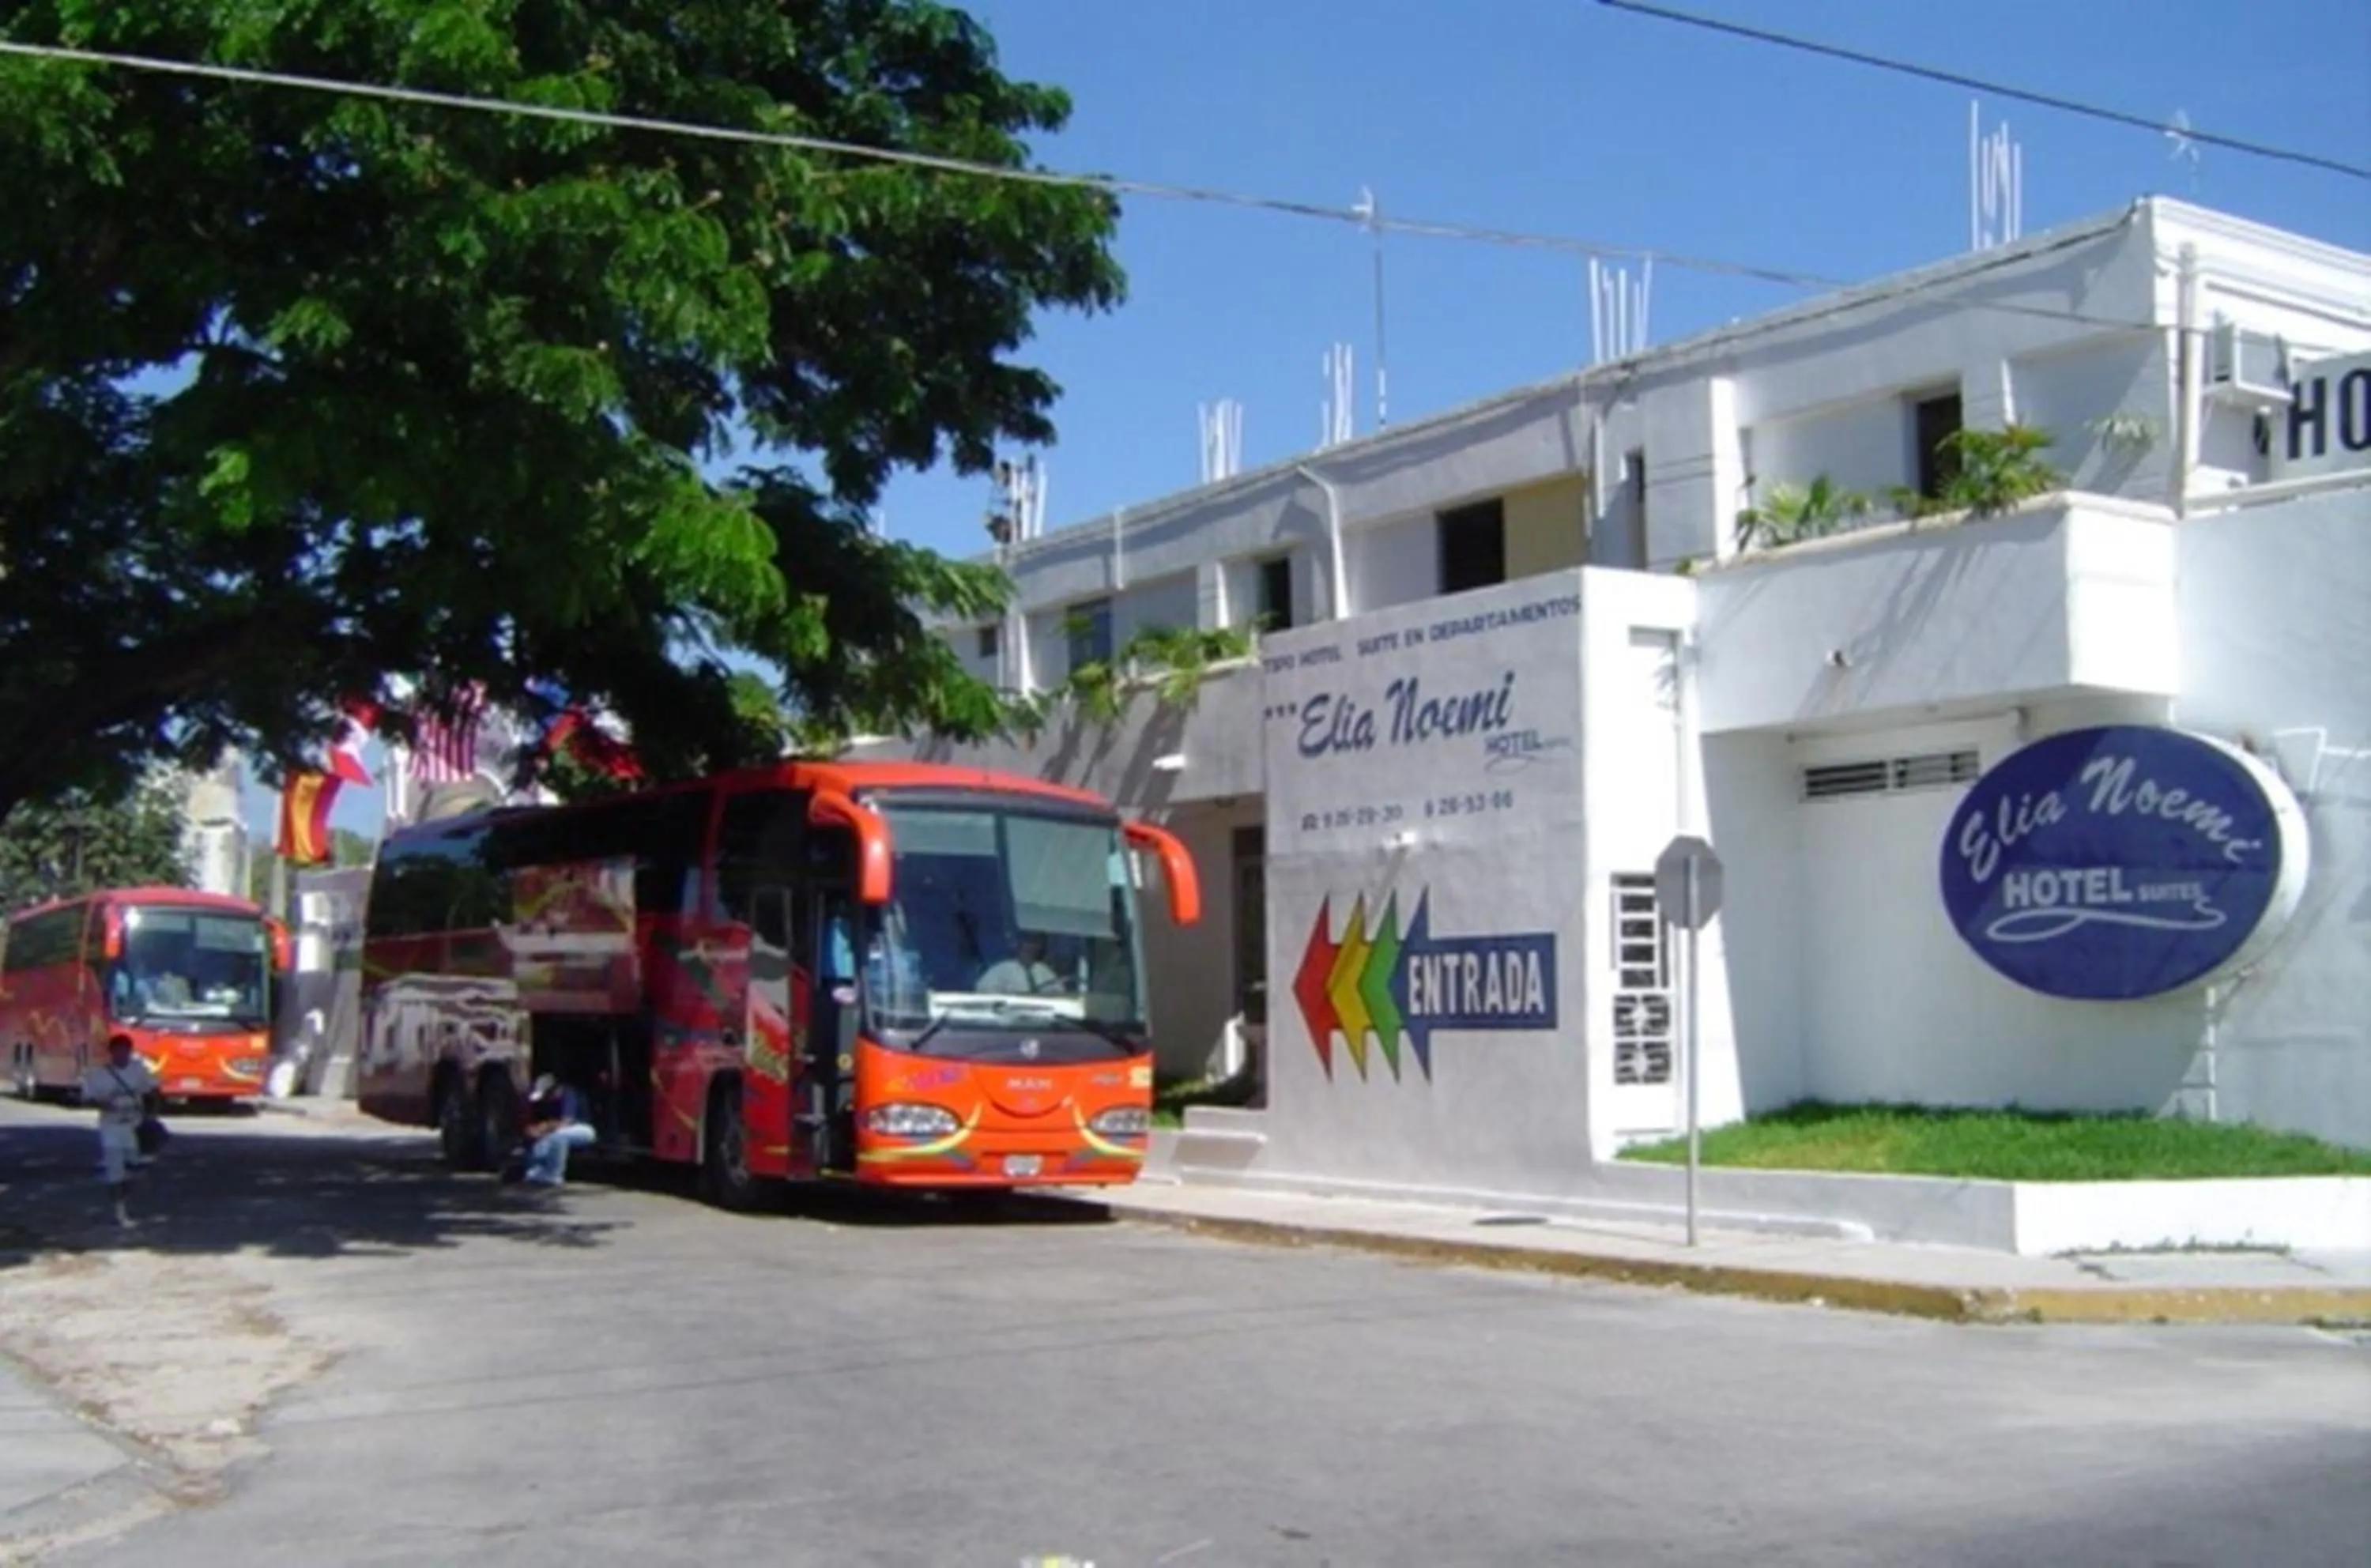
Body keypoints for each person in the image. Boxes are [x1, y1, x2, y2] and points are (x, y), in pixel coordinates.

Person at [81, 1034, 160, 1228]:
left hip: (134, 1125)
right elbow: (86, 1097)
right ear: (111, 1052)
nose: (122, 1055)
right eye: (118, 1051)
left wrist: (151, 1114)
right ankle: (120, 1211)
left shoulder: (139, 1071)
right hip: (111, 1127)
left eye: (125, 1051)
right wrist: (101, 1103)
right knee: (116, 1171)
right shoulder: (99, 1075)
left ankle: (126, 1197)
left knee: (134, 1168)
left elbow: (154, 1091)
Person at [519, 1072, 596, 1187]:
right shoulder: (543, 1102)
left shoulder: (568, 1094)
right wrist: (532, 1130)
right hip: (553, 1130)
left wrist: (543, 1128)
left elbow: (566, 1121)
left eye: (547, 1094)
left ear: (556, 1089)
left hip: (582, 1129)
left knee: (559, 1136)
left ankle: (554, 1175)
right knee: (541, 1139)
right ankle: (535, 1170)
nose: (545, 1098)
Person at [976, 933, 1062, 997]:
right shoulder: (1002, 969)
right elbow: (982, 989)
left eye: (1033, 944)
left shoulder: (1045, 971)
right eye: (1027, 944)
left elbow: (1059, 993)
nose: (1030, 947)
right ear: (1019, 947)